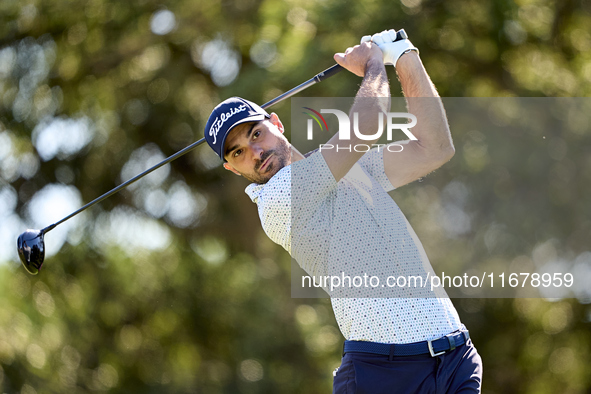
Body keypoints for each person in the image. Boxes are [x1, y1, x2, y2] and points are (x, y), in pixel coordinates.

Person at [204, 29, 482, 393]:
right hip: (382, 373)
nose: (255, 152)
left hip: (455, 357)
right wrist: (371, 63)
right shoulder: (276, 201)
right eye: (237, 152)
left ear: (276, 124)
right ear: (232, 169)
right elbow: (367, 124)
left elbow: (435, 148)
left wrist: (402, 53)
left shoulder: (349, 167)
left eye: (255, 134)